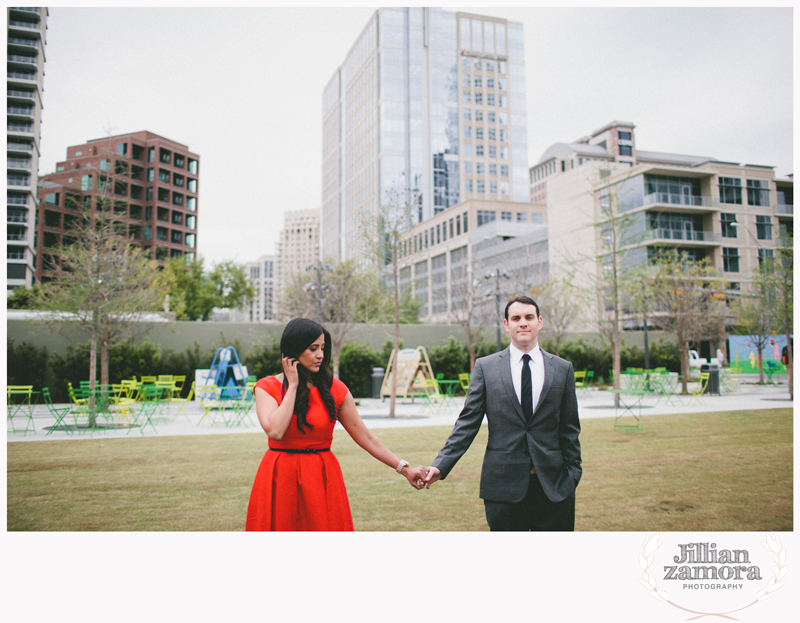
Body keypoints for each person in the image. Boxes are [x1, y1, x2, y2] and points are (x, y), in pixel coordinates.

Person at [246, 318, 427, 531]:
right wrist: (293, 385)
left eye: (323, 348)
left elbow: (365, 437)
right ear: (293, 351)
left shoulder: (335, 389)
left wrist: (404, 468)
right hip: (280, 476)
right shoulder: (266, 387)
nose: (320, 355)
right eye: (313, 348)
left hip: (321, 477)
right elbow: (275, 431)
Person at [423, 295, 582, 531]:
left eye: (529, 317)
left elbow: (569, 428)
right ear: (507, 325)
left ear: (540, 322)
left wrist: (572, 474)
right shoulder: (486, 368)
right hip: (502, 487)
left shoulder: (562, 368)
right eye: (516, 318)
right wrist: (441, 464)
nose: (523, 323)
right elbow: (467, 423)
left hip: (554, 486)